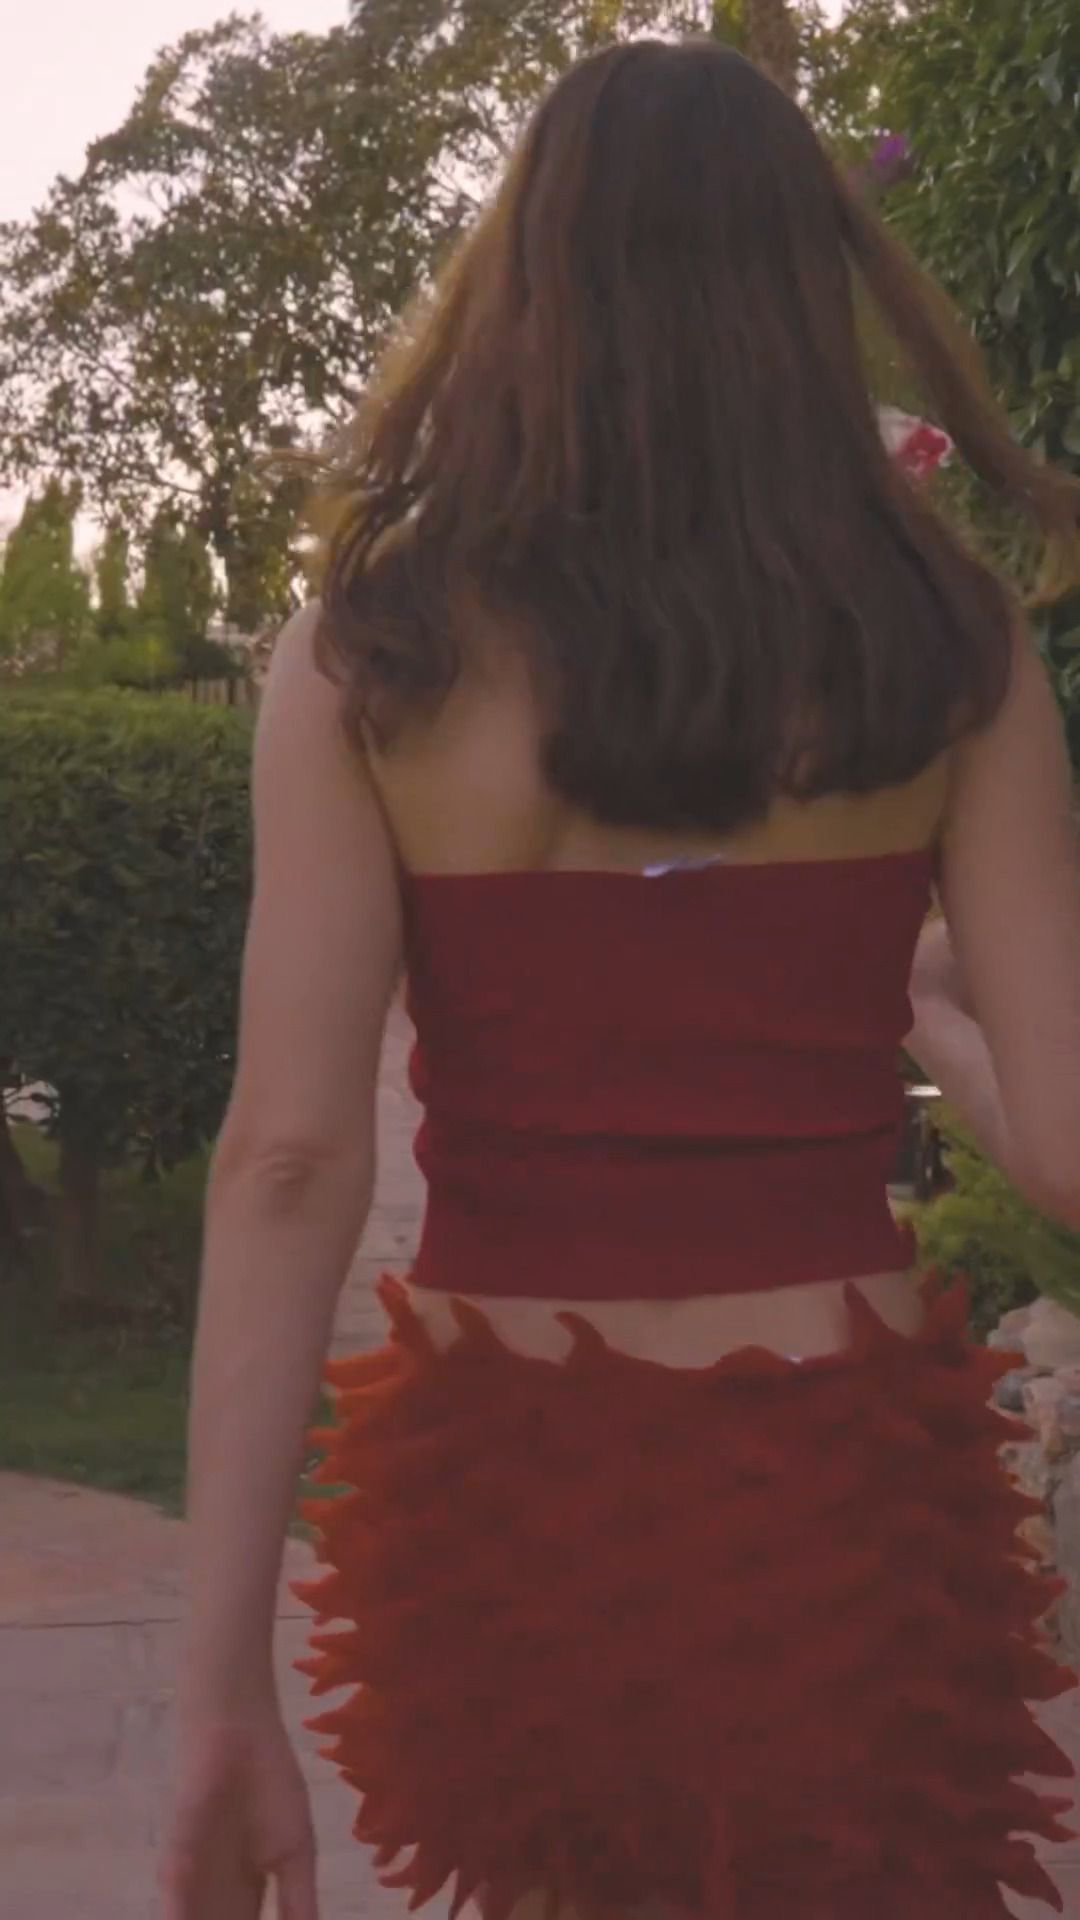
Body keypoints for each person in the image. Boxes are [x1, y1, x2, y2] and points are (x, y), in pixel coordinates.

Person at [161, 39, 1080, 1920]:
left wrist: (218, 1684)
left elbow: (288, 1162)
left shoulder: (373, 656)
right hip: (846, 1517)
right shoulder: (948, 645)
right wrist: (927, 1012)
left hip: (503, 1510)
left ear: (525, 283)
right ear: (806, 288)